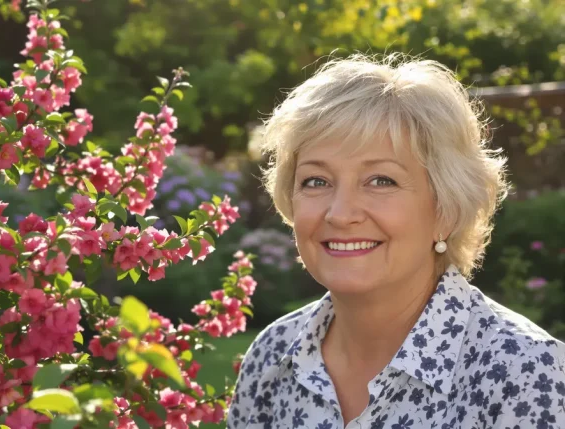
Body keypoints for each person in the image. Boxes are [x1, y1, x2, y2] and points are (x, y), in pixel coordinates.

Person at [227, 54, 565, 429]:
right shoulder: (271, 359)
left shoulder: (527, 375)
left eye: (381, 181)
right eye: (316, 181)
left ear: (447, 210)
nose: (340, 213)